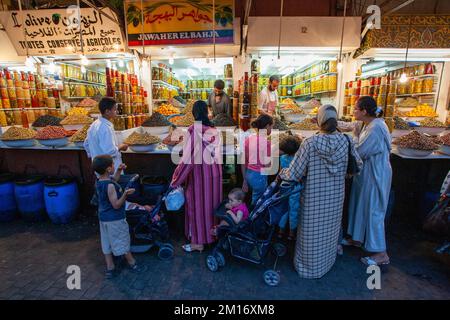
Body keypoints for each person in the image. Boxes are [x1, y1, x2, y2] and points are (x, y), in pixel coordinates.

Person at [279, 105, 362, 279]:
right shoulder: (346, 140)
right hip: (336, 196)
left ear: (319, 120)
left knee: (311, 232)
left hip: (313, 197)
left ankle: (308, 268)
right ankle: (326, 263)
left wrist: (282, 173)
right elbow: (358, 166)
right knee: (329, 230)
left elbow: (295, 173)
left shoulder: (310, 143)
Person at [344, 96, 392, 266]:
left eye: (356, 109)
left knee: (373, 210)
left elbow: (360, 151)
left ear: (364, 111)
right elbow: (350, 127)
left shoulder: (376, 128)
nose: (353, 111)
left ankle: (381, 253)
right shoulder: (367, 123)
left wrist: (352, 139)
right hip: (365, 174)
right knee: (359, 205)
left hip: (375, 174)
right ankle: (357, 239)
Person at [170, 100, 223, 253]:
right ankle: (212, 236)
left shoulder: (194, 130)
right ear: (207, 112)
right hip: (215, 174)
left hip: (200, 176)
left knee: (197, 208)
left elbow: (189, 159)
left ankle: (198, 242)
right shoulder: (213, 129)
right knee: (212, 207)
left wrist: (176, 179)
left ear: (194, 113)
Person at [92, 155, 146, 279]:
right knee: (121, 240)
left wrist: (119, 170)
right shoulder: (110, 186)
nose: (113, 166)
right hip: (114, 219)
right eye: (112, 165)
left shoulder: (99, 181)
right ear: (108, 169)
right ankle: (132, 263)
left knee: (106, 243)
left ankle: (110, 267)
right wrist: (125, 194)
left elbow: (113, 180)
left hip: (103, 219)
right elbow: (116, 205)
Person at [84, 97, 128, 172]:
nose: (117, 112)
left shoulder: (94, 124)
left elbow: (86, 144)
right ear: (107, 111)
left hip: (99, 169)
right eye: (115, 109)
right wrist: (121, 146)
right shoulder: (105, 127)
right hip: (109, 169)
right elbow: (110, 151)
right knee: (111, 183)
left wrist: (95, 155)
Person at [241, 114, 274, 206]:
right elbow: (267, 165)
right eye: (272, 126)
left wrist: (244, 179)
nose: (271, 129)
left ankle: (245, 214)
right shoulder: (266, 143)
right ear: (267, 126)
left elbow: (244, 161)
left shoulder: (248, 139)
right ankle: (251, 219)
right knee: (257, 203)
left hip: (249, 174)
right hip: (259, 177)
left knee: (251, 199)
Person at [277, 134, 302, 241]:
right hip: (295, 188)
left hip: (284, 186)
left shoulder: (282, 158)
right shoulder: (299, 160)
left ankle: (280, 231)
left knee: (283, 209)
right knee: (294, 210)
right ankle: (292, 233)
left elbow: (280, 172)